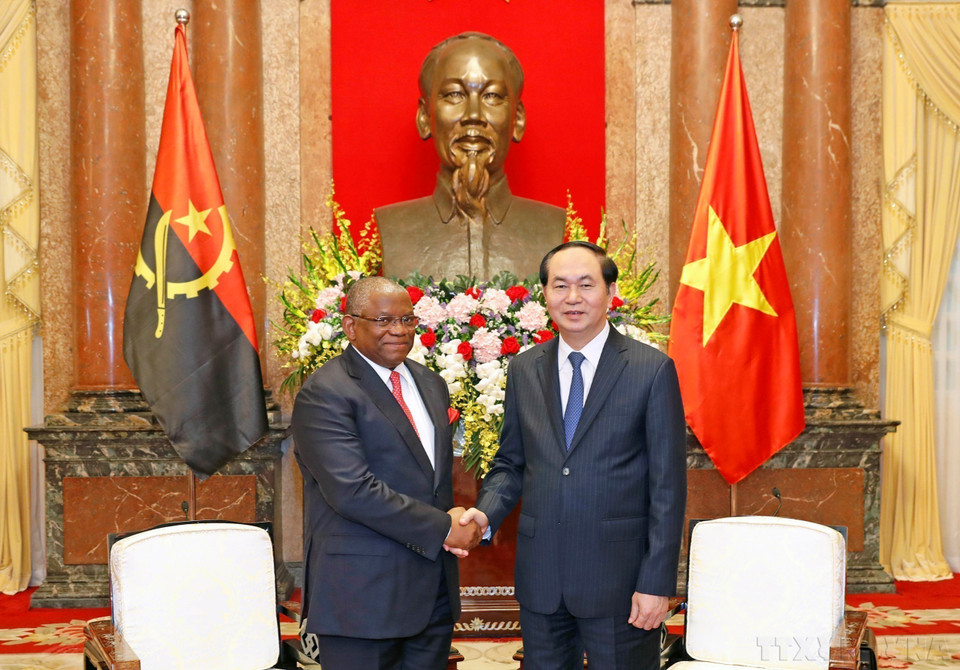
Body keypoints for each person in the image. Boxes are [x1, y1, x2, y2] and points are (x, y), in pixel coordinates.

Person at [457, 241, 687, 669]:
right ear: (544, 294)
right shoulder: (524, 369)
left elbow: (667, 487)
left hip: (621, 585)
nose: (573, 298)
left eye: (586, 284)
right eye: (560, 286)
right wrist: (485, 513)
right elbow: (511, 462)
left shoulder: (650, 370)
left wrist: (656, 583)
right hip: (542, 579)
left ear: (610, 292)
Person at [291, 276, 482, 670]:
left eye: (408, 320)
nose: (398, 330)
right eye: (382, 320)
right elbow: (352, 490)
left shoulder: (430, 383)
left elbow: (429, 483)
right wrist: (444, 528)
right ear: (350, 326)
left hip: (431, 594)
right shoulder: (325, 391)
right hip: (362, 597)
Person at [375, 32, 565, 281]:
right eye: (454, 95)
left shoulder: (551, 226)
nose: (473, 114)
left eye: (492, 96)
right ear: (424, 117)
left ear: (517, 119)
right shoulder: (394, 227)